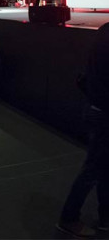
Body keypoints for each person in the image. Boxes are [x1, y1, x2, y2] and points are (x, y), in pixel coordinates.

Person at [56, 23, 109, 237]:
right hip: (103, 112)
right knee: (94, 169)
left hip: (97, 109)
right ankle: (68, 218)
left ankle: (105, 217)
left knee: (103, 169)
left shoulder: (104, 30)